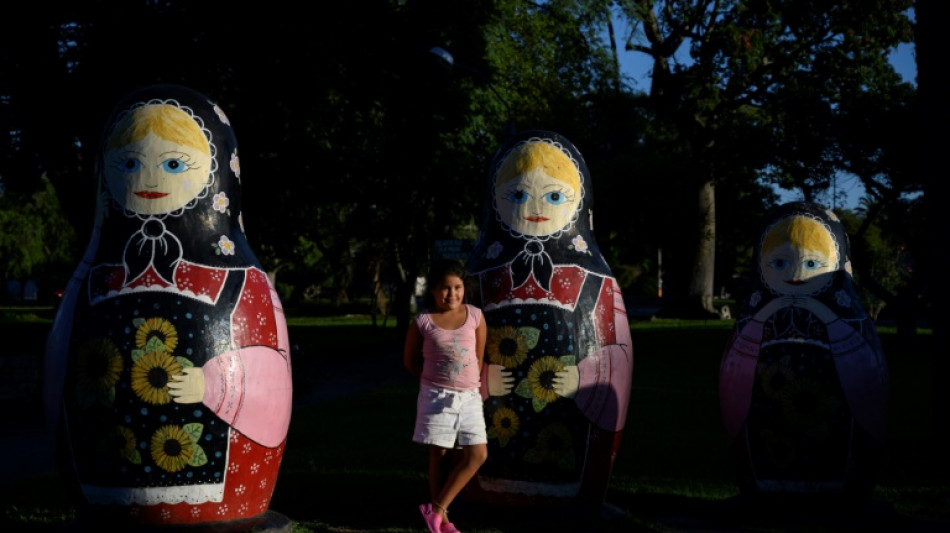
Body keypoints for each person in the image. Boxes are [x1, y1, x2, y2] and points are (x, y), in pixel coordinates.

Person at [403, 259, 488, 533]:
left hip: (470, 397)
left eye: (457, 287)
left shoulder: (475, 316)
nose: (451, 294)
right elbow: (410, 361)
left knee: (477, 454)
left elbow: (479, 357)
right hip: (436, 397)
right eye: (444, 288)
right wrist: (433, 382)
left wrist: (473, 386)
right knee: (439, 455)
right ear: (432, 291)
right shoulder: (423, 322)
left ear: (465, 288)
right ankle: (444, 522)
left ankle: (436, 508)